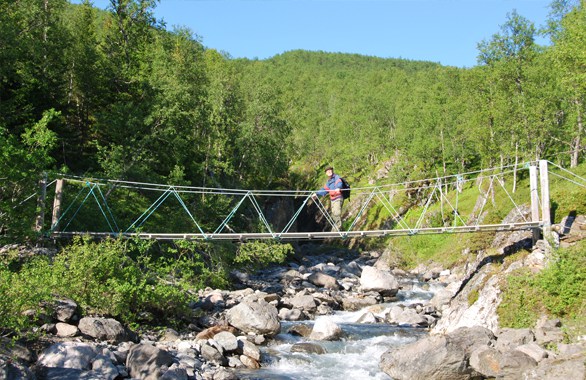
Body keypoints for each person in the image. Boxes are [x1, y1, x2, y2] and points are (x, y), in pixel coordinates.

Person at [312, 166, 344, 230]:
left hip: (338, 197)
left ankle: (338, 227)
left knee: (337, 212)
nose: (329, 172)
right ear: (326, 173)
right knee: (333, 214)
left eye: (330, 170)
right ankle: (340, 228)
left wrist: (338, 188)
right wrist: (317, 194)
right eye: (327, 171)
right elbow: (324, 189)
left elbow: (339, 183)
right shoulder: (329, 181)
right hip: (333, 199)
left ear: (332, 171)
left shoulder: (336, 177)